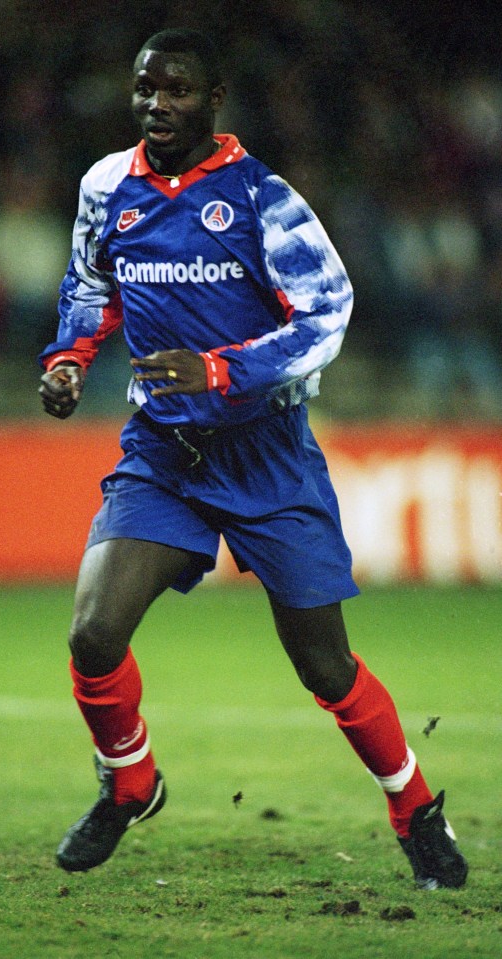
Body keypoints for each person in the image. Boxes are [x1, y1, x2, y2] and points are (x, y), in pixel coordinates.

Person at [38, 28, 468, 890]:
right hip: (163, 452)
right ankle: (129, 781)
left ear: (214, 100)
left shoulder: (262, 198)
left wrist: (222, 367)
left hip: (266, 455)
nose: (157, 105)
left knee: (324, 666)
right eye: (145, 90)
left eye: (177, 91)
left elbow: (325, 314)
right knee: (92, 632)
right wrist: (69, 357)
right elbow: (91, 284)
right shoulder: (104, 186)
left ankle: (413, 806)